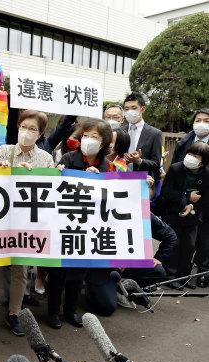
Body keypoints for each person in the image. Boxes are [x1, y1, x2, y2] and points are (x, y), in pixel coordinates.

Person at [0, 109, 55, 336]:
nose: (26, 132)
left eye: (32, 129)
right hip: (0, 219)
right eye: (24, 126)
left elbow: (50, 190)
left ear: (40, 133)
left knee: (21, 270)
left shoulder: (46, 158)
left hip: (27, 224)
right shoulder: (5, 150)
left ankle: (15, 313)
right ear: (17, 127)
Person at [49, 119, 115, 329]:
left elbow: (115, 198)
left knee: (78, 272)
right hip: (65, 224)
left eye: (94, 137)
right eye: (86, 135)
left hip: (90, 228)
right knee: (58, 272)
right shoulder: (68, 159)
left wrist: (99, 181)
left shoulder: (109, 167)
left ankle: (70, 310)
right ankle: (52, 312)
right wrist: (58, 174)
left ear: (104, 142)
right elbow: (54, 190)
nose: (88, 140)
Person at [84, 175, 174, 316]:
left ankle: (124, 289)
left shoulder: (147, 215)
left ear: (149, 202)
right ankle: (92, 288)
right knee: (107, 308)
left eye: (144, 200)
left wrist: (159, 258)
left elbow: (170, 236)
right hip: (100, 266)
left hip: (127, 265)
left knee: (158, 271)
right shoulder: (102, 208)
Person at [161, 142, 209, 290]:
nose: (190, 158)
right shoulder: (176, 168)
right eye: (189, 154)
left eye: (195, 156)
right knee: (175, 244)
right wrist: (186, 197)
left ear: (203, 162)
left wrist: (192, 206)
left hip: (193, 217)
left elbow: (206, 198)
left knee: (189, 246)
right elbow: (166, 191)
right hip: (173, 214)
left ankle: (183, 276)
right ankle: (170, 276)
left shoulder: (207, 173)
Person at [171, 109, 209, 287]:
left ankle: (200, 273)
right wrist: (186, 198)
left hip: (203, 202)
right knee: (181, 242)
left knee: (202, 242)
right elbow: (173, 179)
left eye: (206, 120)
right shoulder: (184, 143)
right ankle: (173, 275)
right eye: (198, 120)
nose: (201, 123)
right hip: (180, 204)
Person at [121, 92, 163, 176]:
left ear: (142, 109)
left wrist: (139, 161)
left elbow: (156, 163)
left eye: (134, 108)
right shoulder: (119, 131)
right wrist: (123, 161)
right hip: (120, 179)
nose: (129, 111)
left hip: (143, 181)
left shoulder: (155, 134)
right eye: (126, 109)